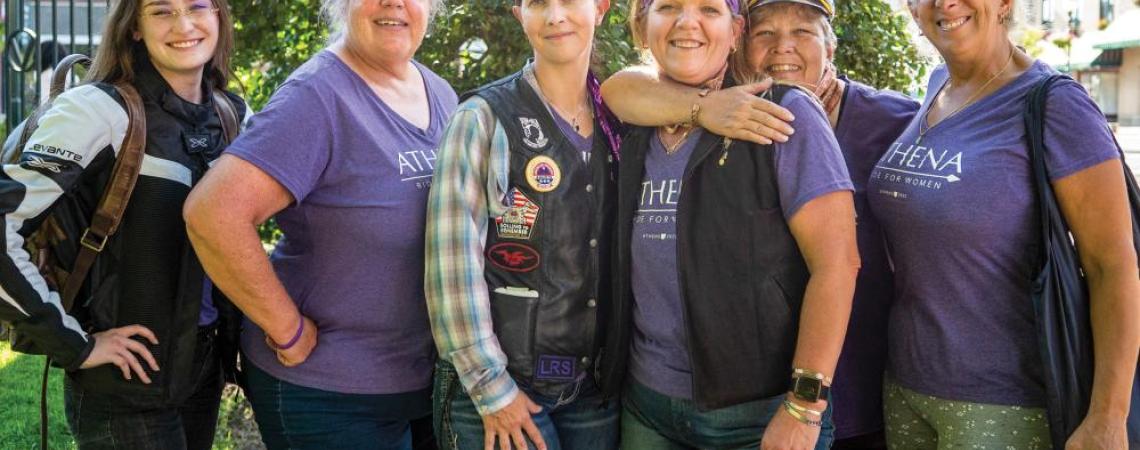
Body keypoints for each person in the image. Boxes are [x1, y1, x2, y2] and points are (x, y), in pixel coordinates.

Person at [600, 1, 920, 446]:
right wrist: (703, 108)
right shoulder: (638, 119)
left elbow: (838, 264)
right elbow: (615, 87)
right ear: (642, 26)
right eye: (668, 5)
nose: (686, 21)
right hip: (647, 401)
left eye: (708, 9)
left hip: (754, 412)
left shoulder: (782, 112)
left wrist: (804, 406)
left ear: (734, 33)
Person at [182, 0, 456, 448]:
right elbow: (213, 214)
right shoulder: (317, 96)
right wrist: (285, 328)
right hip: (329, 392)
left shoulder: (439, 93)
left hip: (423, 384)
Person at [867, 0, 1140, 448]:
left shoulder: (1054, 103)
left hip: (1003, 402)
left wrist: (1108, 417)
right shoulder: (936, 86)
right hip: (906, 387)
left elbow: (1113, 265)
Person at [0, 0, 246, 448]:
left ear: (219, 18)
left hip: (202, 375)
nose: (184, 24)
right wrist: (74, 343)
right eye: (162, 11)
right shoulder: (96, 110)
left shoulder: (231, 115)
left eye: (198, 7)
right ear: (134, 27)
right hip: (123, 391)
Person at [423, 0, 624, 448]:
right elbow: (451, 268)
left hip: (594, 391)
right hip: (503, 387)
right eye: (537, 3)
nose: (555, 16)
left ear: (601, 9)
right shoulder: (481, 117)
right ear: (519, 16)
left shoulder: (620, 119)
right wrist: (492, 388)